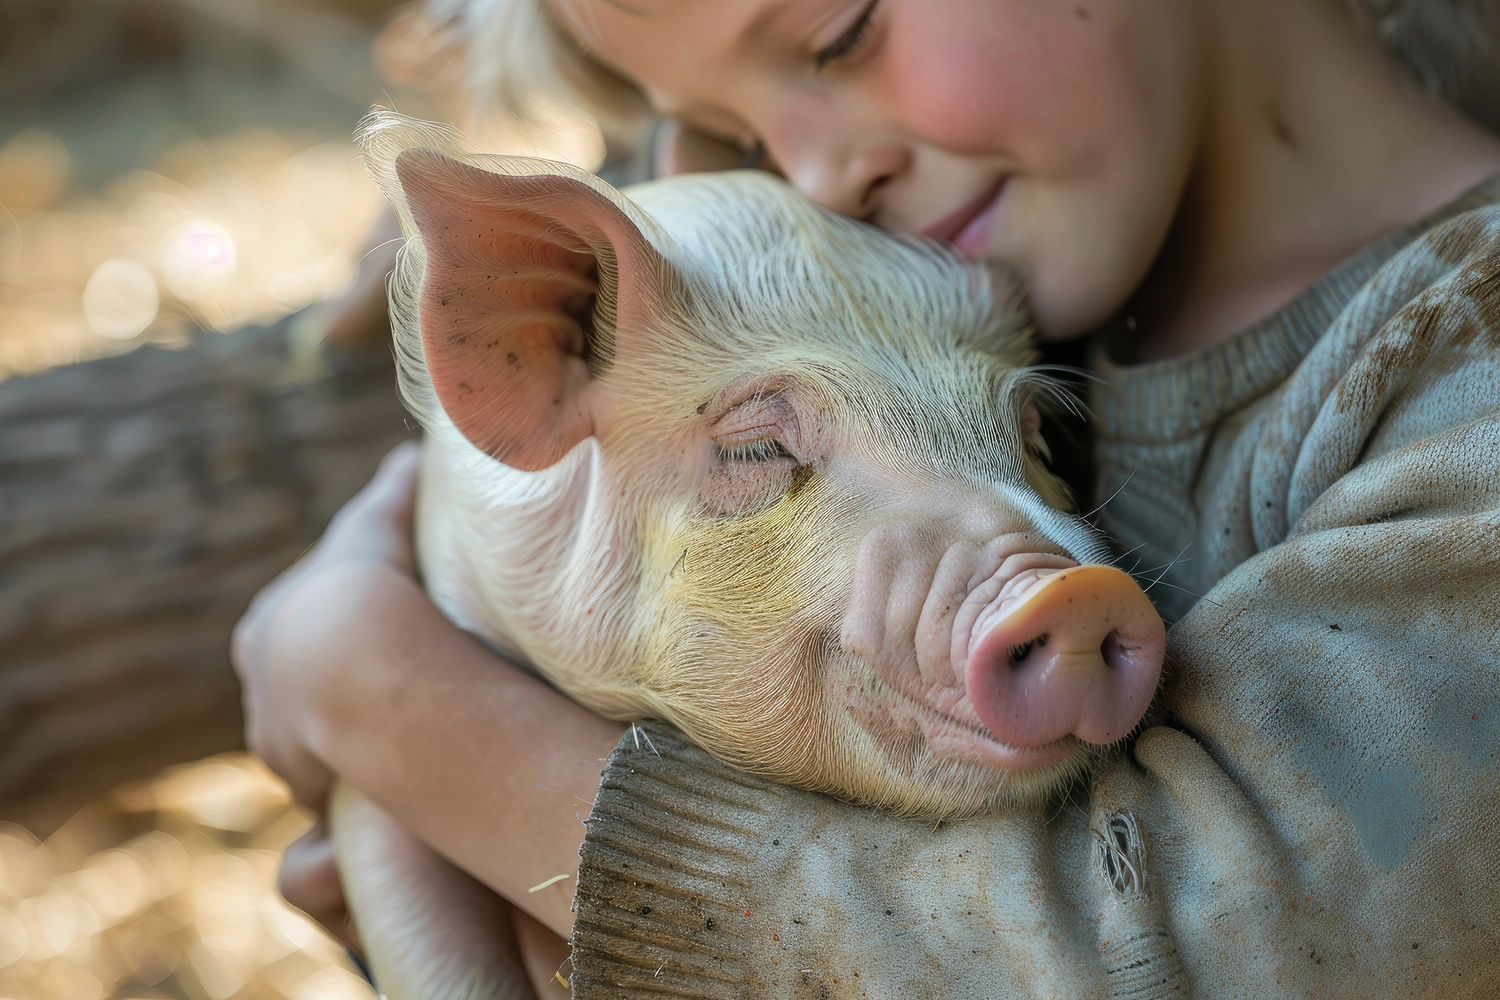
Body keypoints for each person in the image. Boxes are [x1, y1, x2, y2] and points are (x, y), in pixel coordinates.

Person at [232, 0, 1500, 994]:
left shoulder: (1462, 396)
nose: (814, 180)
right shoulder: (986, 244)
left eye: (842, 32)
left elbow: (1200, 946)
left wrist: (388, 701)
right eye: (729, 132)